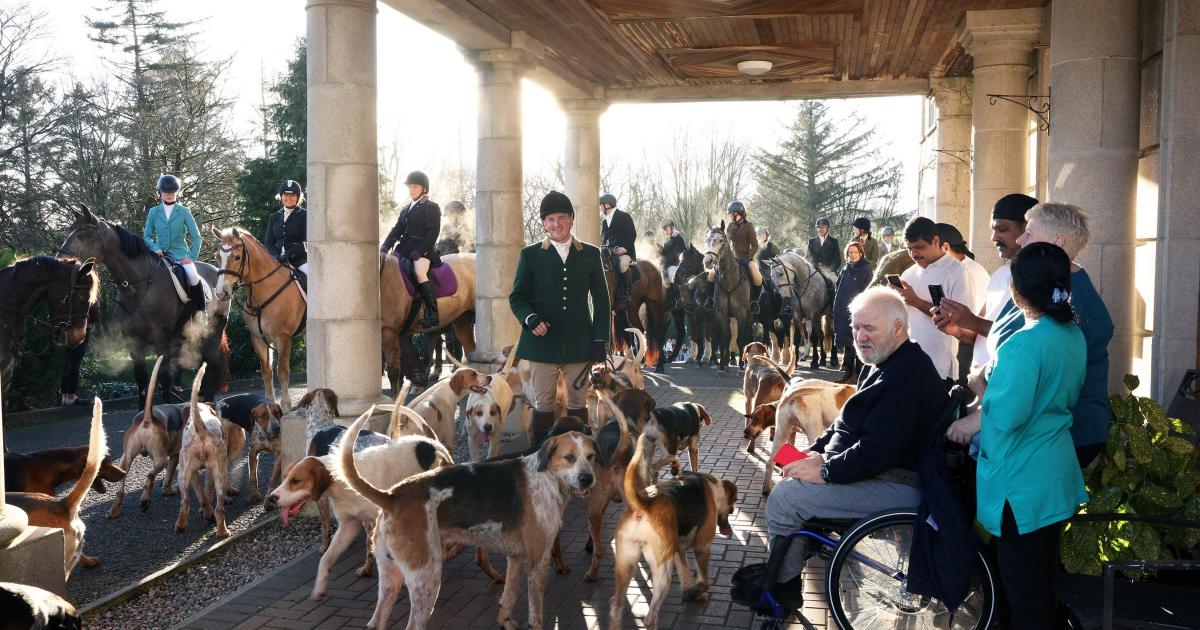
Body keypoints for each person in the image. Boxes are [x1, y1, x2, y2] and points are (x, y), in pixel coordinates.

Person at [764, 287, 945, 584]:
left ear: (898, 327)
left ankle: (780, 587)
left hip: (899, 482)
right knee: (789, 461)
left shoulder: (905, 376)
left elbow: (878, 451)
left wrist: (824, 470)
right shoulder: (882, 363)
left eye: (869, 328)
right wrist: (814, 452)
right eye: (855, 327)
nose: (860, 336)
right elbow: (845, 424)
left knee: (785, 499)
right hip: (876, 470)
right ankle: (793, 559)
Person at [947, 204, 1114, 468]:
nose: (1020, 239)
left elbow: (1046, 379)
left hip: (1050, 441)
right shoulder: (1036, 288)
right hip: (1013, 430)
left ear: (1057, 242)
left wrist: (981, 416)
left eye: (1029, 233)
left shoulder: (1080, 306)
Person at [975, 242, 1087, 629]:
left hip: (1020, 484)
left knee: (1024, 595)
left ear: (1018, 291)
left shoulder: (1023, 343)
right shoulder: (1072, 333)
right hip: (1054, 474)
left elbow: (1006, 416)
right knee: (1041, 585)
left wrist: (980, 388)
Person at [509, 191, 610, 445]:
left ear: (571, 219)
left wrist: (600, 339)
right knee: (544, 404)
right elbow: (517, 297)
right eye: (550, 219)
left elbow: (601, 301)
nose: (556, 224)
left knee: (578, 403)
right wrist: (530, 319)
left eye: (562, 218)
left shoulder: (590, 253)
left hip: (579, 343)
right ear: (543, 223)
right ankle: (539, 456)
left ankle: (582, 454)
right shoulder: (530, 255)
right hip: (542, 345)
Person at [932, 194, 1037, 372]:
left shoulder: (1039, 277)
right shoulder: (1000, 274)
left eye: (1002, 229)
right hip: (984, 383)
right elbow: (977, 332)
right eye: (993, 230)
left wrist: (970, 320)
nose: (994, 238)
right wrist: (954, 329)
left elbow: (1023, 336)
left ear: (1028, 229)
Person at [894, 217, 971, 384]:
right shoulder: (909, 273)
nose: (914, 254)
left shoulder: (956, 271)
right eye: (909, 248)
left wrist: (916, 301)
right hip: (907, 362)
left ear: (936, 241)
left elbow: (962, 322)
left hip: (938, 368)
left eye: (919, 247)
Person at [381, 171, 442, 329]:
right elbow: (396, 230)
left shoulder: (431, 207)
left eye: (415, 186)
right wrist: (385, 246)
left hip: (424, 251)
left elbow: (433, 232)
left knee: (419, 272)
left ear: (423, 188)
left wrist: (420, 251)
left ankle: (432, 313)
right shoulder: (405, 209)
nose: (411, 189)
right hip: (404, 249)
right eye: (410, 186)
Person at [935, 223, 988, 384]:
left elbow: (965, 314)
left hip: (967, 340)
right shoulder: (964, 266)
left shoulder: (964, 271)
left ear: (944, 247)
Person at [143, 174, 205, 308]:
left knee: (193, 276)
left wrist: (191, 257)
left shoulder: (184, 212)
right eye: (165, 191)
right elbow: (147, 236)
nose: (169, 194)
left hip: (180, 255)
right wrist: (155, 248)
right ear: (160, 193)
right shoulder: (153, 212)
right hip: (159, 256)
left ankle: (201, 311)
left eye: (172, 191)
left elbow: (196, 237)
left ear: (177, 192)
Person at [832, 242, 871, 383]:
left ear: (861, 253)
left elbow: (866, 292)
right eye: (850, 253)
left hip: (857, 313)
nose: (853, 255)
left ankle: (858, 374)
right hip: (843, 312)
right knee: (848, 344)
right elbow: (838, 289)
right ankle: (847, 373)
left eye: (855, 252)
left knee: (858, 343)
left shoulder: (865, 269)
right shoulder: (845, 269)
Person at [724, 201, 764, 313]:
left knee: (757, 277)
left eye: (731, 214)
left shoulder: (748, 225)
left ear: (738, 213)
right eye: (730, 214)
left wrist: (748, 257)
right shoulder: (730, 226)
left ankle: (754, 302)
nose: (730, 216)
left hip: (745, 258)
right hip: (731, 259)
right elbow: (726, 242)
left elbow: (755, 245)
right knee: (713, 273)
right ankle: (711, 299)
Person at [263, 179, 308, 279]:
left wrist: (288, 255)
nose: (288, 198)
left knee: (314, 279)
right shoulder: (274, 217)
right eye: (285, 195)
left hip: (298, 261)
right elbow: (269, 243)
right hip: (276, 261)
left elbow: (306, 242)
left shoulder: (305, 215)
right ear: (281, 196)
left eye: (292, 195)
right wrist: (276, 257)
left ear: (298, 197)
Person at [600, 193, 637, 306]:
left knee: (621, 266)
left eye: (601, 205)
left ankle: (625, 293)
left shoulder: (624, 216)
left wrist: (624, 248)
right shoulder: (605, 221)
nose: (600, 208)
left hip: (625, 252)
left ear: (607, 205)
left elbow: (632, 235)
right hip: (610, 252)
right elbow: (603, 238)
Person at [60, 302, 99, 407]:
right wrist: (93, 320)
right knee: (75, 362)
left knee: (68, 360)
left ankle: (64, 397)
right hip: (83, 326)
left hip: (68, 327)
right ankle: (71, 397)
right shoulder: (87, 287)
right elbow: (94, 309)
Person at [659, 219, 686, 310]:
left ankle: (676, 300)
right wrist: (660, 251)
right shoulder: (668, 239)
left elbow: (677, 252)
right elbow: (665, 253)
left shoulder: (678, 237)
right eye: (664, 230)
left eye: (666, 229)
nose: (665, 231)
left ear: (672, 227)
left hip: (675, 263)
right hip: (666, 264)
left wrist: (664, 252)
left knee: (671, 275)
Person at [806, 217, 842, 282]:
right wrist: (813, 267)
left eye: (823, 227)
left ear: (827, 228)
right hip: (814, 271)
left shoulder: (834, 241)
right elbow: (808, 257)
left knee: (836, 285)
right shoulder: (811, 241)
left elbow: (837, 259)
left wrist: (831, 269)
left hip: (829, 272)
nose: (821, 229)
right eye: (819, 227)